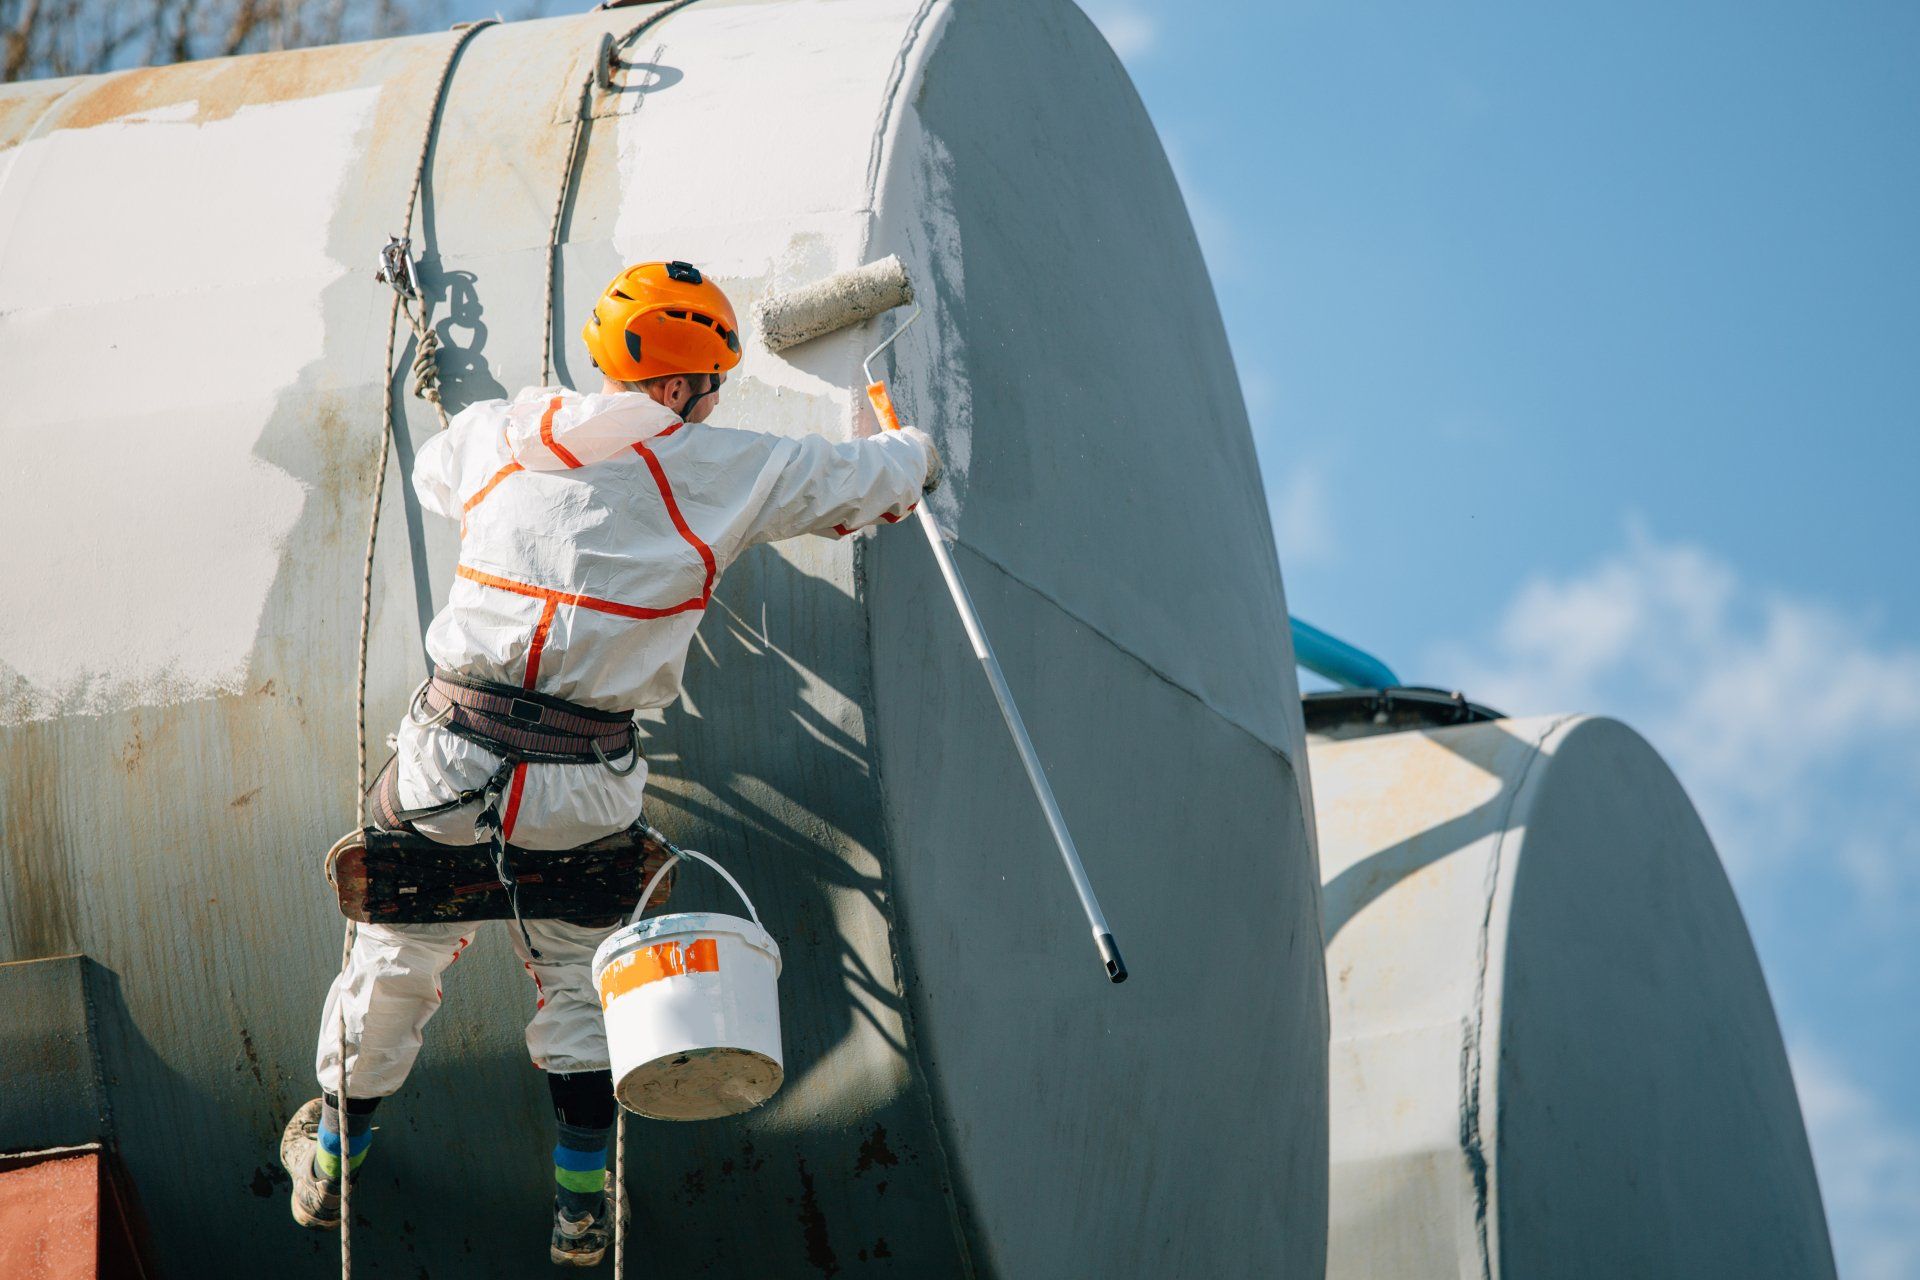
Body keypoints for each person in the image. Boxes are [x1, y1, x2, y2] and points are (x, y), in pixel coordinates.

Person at [283, 260, 938, 1265]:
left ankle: (333, 1155)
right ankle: (580, 1204)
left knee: (395, 961)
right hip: (583, 780)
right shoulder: (728, 467)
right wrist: (915, 446)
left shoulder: (509, 432)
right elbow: (871, 480)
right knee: (579, 975)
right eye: (712, 381)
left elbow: (433, 474)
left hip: (451, 758)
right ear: (681, 387)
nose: (712, 401)